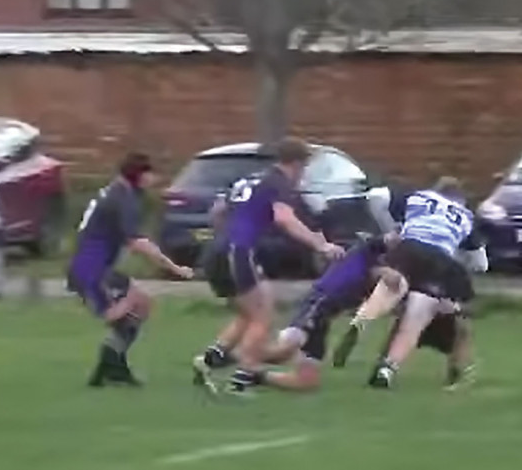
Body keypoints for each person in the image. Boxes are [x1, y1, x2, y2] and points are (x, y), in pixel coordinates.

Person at [193, 137, 345, 396]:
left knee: (249, 312)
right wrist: (320, 245)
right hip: (238, 250)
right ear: (297, 164)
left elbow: (218, 210)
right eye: (305, 167)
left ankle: (208, 361)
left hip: (216, 250)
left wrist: (228, 233)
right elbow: (285, 219)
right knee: (263, 316)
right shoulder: (279, 182)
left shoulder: (252, 178)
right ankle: (241, 381)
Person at [67, 152, 194, 388]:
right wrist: (174, 267)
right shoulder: (124, 198)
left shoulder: (117, 191)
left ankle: (111, 368)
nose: (154, 179)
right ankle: (109, 368)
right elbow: (137, 242)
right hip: (91, 270)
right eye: (150, 174)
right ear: (139, 175)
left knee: (140, 305)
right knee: (123, 310)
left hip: (92, 266)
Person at [367, 176, 487, 389]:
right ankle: (453, 372)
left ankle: (368, 316)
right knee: (441, 322)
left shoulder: (419, 198)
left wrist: (393, 230)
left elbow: (375, 196)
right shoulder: (464, 215)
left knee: (403, 310)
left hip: (407, 252)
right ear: (460, 198)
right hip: (439, 264)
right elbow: (481, 264)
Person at [250, 233, 396, 391]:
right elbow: (387, 241)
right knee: (285, 350)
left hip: (323, 320)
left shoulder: (375, 277)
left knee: (307, 382)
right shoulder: (365, 252)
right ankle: (237, 358)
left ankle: (255, 376)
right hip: (317, 304)